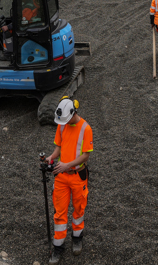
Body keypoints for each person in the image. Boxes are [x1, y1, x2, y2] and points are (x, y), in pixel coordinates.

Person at [44, 97, 92, 262]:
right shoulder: (62, 125)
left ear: (74, 113)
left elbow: (86, 155)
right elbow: (58, 148)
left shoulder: (86, 128)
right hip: (61, 177)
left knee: (78, 210)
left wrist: (67, 165)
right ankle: (58, 247)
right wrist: (51, 158)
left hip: (78, 176)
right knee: (59, 212)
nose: (63, 123)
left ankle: (77, 239)